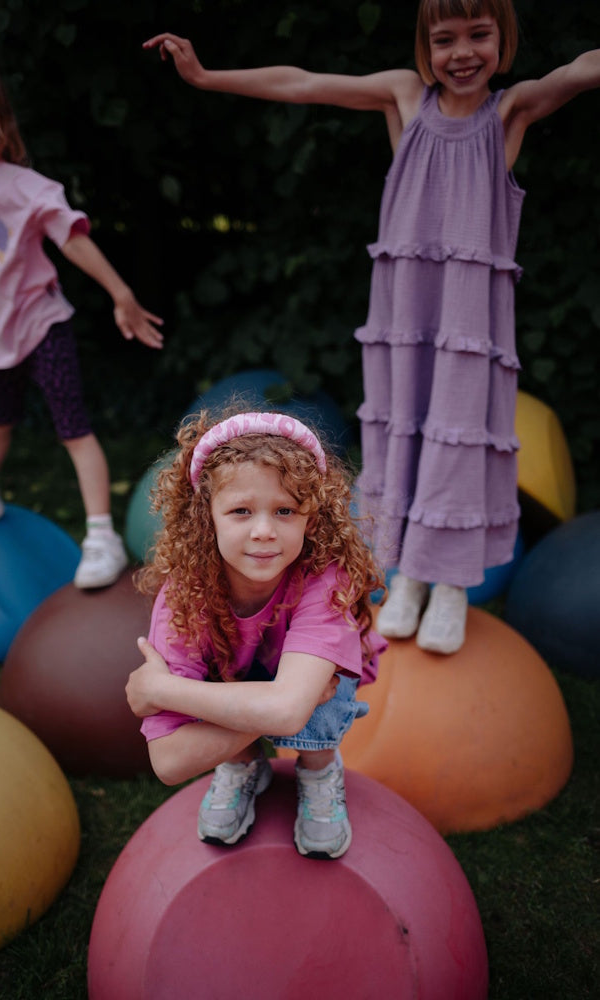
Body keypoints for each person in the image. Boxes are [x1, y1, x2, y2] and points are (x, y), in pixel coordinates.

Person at [143, 2, 600, 652]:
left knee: (458, 439)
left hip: (469, 318)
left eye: (479, 35)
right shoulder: (405, 96)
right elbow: (302, 82)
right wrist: (207, 76)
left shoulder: (509, 110)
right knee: (402, 435)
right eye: (444, 39)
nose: (461, 52)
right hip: (404, 315)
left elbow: (580, 70)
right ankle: (407, 576)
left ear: (503, 39)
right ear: (424, 47)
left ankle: (447, 585)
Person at [0, 54, 164, 588]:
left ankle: (101, 535)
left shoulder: (21, 186)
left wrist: (121, 292)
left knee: (73, 429)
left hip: (40, 322)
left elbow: (72, 238)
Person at [125, 409, 385, 859]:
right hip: (250, 679)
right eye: (241, 511)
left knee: (327, 688)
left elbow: (287, 712)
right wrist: (275, 705)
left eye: (285, 511)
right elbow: (168, 762)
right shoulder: (186, 596)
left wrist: (163, 689)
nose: (264, 531)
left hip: (311, 686)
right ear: (207, 516)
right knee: (275, 690)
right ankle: (241, 766)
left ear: (312, 517)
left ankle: (319, 769)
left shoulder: (325, 579)